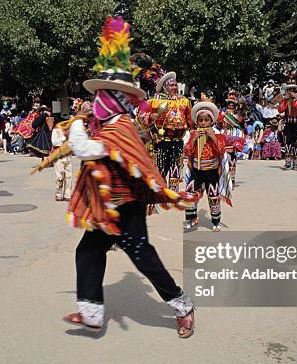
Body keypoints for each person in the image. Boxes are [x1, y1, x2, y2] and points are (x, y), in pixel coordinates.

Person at [62, 16, 196, 338]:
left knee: (141, 255)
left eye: (102, 96)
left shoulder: (119, 125)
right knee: (89, 251)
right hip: (109, 205)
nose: (96, 102)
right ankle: (91, 312)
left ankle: (182, 305)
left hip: (125, 205)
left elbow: (85, 149)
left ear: (114, 98)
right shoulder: (110, 124)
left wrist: (78, 121)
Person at [138, 66, 192, 192]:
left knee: (175, 168)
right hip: (161, 140)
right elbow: (140, 116)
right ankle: (161, 194)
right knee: (160, 168)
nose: (174, 88)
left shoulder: (184, 102)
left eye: (175, 85)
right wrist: (151, 116)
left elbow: (191, 120)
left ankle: (173, 194)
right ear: (165, 87)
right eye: (171, 85)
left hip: (178, 140)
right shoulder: (154, 101)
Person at [183, 101, 231, 232]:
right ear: (197, 122)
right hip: (197, 171)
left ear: (211, 121)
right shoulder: (193, 134)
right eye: (200, 120)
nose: (203, 123)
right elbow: (187, 152)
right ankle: (191, 218)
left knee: (213, 196)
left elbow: (221, 151)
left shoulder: (218, 135)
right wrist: (193, 140)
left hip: (211, 171)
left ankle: (216, 221)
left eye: (206, 120)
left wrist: (213, 138)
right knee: (190, 194)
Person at [278, 84, 297, 170]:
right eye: (288, 90)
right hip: (288, 124)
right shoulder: (286, 100)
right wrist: (285, 100)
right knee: (288, 143)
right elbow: (280, 109)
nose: (289, 92)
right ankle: (287, 162)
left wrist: (295, 98)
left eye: (291, 90)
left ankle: (295, 164)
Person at [50, 122, 72, 201]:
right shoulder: (56, 131)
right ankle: (58, 194)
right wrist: (64, 137)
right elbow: (54, 142)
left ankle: (67, 195)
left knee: (69, 176)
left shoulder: (70, 131)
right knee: (60, 176)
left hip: (67, 155)